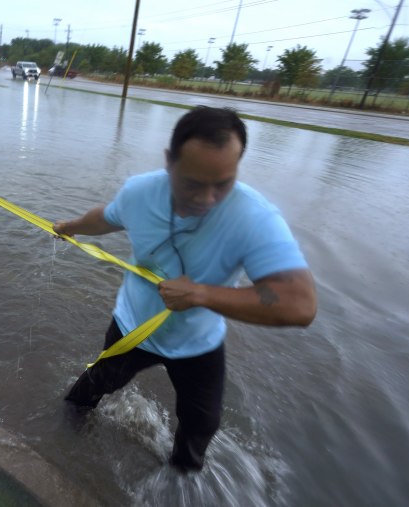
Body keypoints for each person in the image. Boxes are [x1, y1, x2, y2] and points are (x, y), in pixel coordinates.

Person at [53, 106, 317, 472]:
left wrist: (201, 295)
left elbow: (299, 303)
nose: (206, 199)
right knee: (91, 388)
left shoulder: (253, 217)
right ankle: (62, 444)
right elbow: (108, 217)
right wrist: (70, 226)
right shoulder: (140, 193)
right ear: (169, 162)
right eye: (192, 183)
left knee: (201, 425)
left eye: (222, 184)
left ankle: (179, 480)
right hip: (134, 327)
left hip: (199, 342)